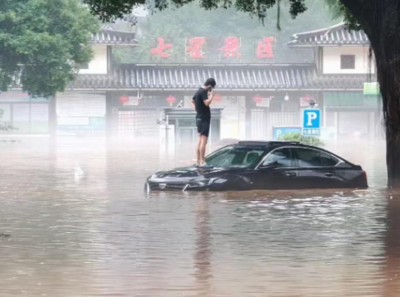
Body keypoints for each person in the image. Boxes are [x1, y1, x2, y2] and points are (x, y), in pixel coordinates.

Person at [191, 78, 216, 167]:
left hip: (198, 118)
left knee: (199, 139)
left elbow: (192, 101)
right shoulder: (203, 92)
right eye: (212, 87)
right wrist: (211, 96)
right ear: (209, 86)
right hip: (204, 119)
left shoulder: (198, 91)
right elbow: (207, 103)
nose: (211, 89)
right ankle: (202, 161)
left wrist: (197, 110)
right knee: (204, 141)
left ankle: (198, 161)